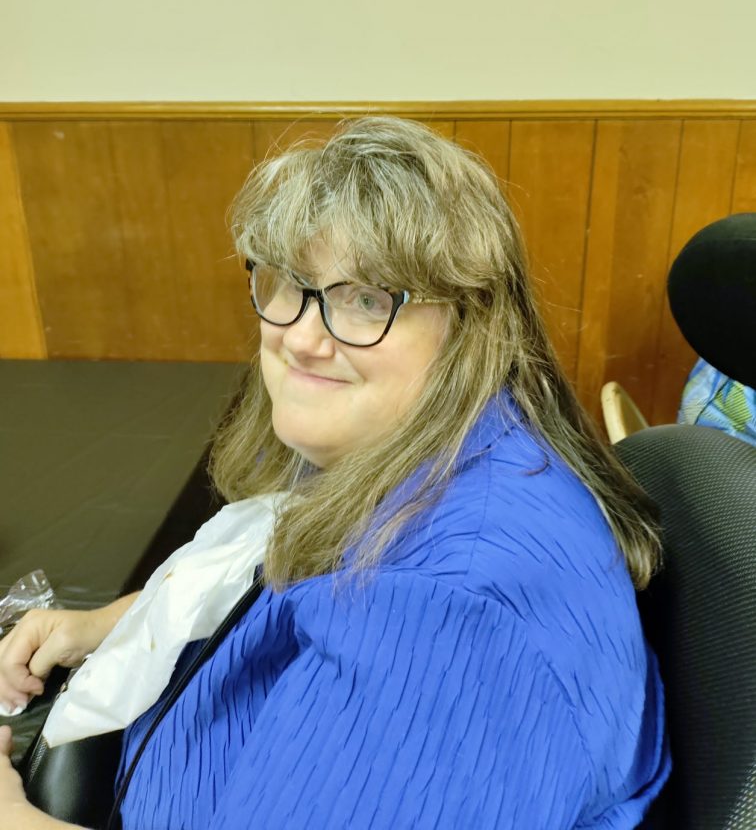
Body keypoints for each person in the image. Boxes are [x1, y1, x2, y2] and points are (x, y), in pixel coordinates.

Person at [0, 117, 670, 829]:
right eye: (288, 282)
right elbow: (276, 585)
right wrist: (108, 624)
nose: (301, 337)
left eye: (367, 299)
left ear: (474, 324)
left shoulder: (444, 617)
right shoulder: (442, 441)